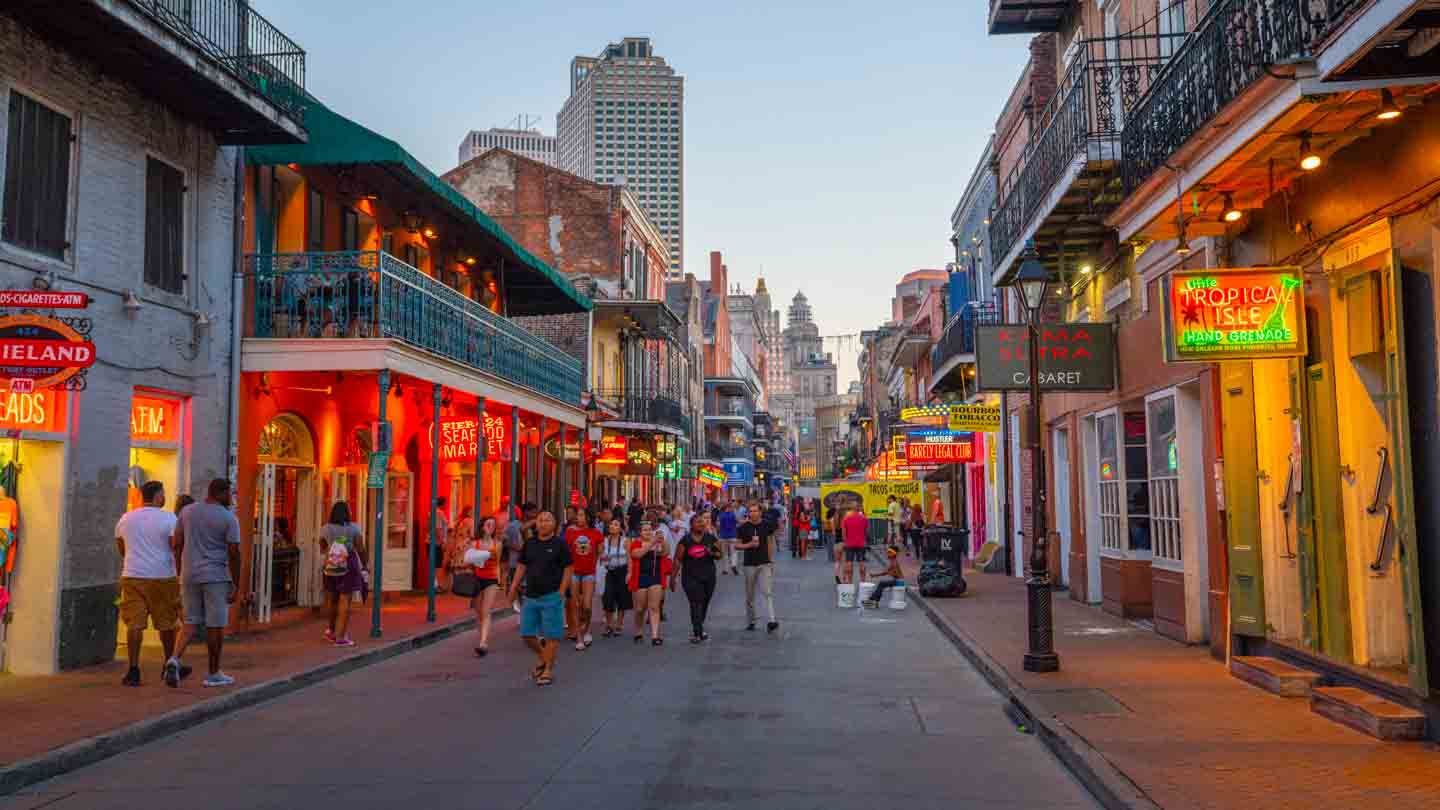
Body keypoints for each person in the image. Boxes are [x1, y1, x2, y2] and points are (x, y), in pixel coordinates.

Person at [115, 480, 188, 687]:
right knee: (166, 623)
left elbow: (122, 547)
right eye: (163, 494)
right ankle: (169, 663)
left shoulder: (126, 518)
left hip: (132, 575)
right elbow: (176, 546)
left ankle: (134, 669)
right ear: (157, 496)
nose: (164, 497)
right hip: (162, 575)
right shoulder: (168, 518)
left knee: (134, 624)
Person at [172, 478, 242, 688]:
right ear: (221, 493)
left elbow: (177, 543)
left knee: (190, 622)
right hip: (215, 577)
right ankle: (213, 673)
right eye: (229, 493)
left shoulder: (187, 512)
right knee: (215, 625)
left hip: (189, 575)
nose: (231, 497)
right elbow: (234, 553)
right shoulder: (229, 518)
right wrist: (236, 583)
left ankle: (174, 659)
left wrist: (179, 572)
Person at [507, 511, 571, 686]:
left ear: (554, 524)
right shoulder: (530, 544)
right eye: (540, 520)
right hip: (531, 596)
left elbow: (567, 568)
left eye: (547, 520)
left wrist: (562, 591)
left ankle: (547, 671)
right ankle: (545, 658)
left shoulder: (560, 544)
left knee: (551, 635)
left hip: (552, 595)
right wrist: (513, 588)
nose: (543, 523)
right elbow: (521, 566)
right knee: (527, 634)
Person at [319, 501, 367, 648]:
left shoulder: (325, 529)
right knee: (345, 600)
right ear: (348, 513)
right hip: (348, 565)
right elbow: (360, 548)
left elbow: (322, 547)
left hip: (331, 564)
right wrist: (365, 564)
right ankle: (341, 637)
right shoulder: (354, 529)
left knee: (333, 598)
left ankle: (332, 631)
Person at [672, 513, 722, 643]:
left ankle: (698, 627)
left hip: (709, 577)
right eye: (698, 522)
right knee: (695, 603)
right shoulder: (685, 541)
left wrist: (712, 552)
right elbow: (677, 560)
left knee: (704, 603)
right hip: (690, 577)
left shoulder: (711, 538)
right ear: (691, 525)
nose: (701, 524)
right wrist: (673, 579)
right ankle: (697, 633)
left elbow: (719, 554)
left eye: (703, 522)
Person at [737, 500, 779, 634]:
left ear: (760, 512)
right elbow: (737, 545)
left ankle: (772, 620)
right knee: (750, 595)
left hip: (764, 562)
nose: (753, 513)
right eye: (750, 511)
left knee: (768, 592)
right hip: (749, 564)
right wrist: (749, 545)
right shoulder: (743, 528)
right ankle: (752, 620)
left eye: (755, 511)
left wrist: (771, 560)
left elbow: (770, 541)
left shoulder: (767, 525)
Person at [464, 516, 501, 657]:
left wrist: (499, 581)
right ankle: (482, 638)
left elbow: (497, 563)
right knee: (479, 613)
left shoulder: (497, 544)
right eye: (488, 524)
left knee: (486, 611)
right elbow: (467, 562)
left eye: (493, 525)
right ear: (482, 527)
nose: (490, 527)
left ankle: (483, 643)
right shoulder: (475, 544)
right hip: (477, 579)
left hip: (491, 580)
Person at [564, 509, 601, 650]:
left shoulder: (595, 533)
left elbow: (599, 550)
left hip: (589, 572)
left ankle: (587, 629)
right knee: (574, 604)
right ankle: (579, 637)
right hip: (574, 572)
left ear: (587, 517)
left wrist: (594, 563)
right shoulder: (570, 532)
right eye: (577, 515)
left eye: (580, 515)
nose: (577, 517)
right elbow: (566, 551)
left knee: (587, 605)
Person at [627, 523, 667, 645]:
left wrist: (662, 541)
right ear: (640, 532)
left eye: (650, 530)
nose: (648, 532)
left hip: (655, 577)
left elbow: (665, 553)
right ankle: (638, 631)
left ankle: (655, 636)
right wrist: (652, 543)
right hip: (640, 578)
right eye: (645, 530)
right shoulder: (635, 544)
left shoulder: (657, 543)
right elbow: (637, 554)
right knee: (640, 609)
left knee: (654, 607)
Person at [599, 518, 632, 637]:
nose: (612, 526)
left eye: (616, 524)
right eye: (611, 524)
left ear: (620, 528)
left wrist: (629, 573)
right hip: (609, 571)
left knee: (622, 597)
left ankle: (619, 624)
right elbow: (600, 557)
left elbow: (629, 558)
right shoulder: (604, 541)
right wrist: (603, 559)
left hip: (622, 570)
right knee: (608, 597)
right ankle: (609, 625)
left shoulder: (625, 541)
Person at [503, 502, 535, 609]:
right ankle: (519, 607)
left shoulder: (534, 526)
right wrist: (517, 547)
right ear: (526, 512)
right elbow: (505, 542)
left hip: (529, 563)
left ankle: (524, 610)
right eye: (533, 512)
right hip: (515, 562)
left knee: (526, 588)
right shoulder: (513, 526)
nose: (534, 514)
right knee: (518, 586)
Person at [841, 502, 870, 600]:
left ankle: (850, 583)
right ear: (858, 508)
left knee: (849, 562)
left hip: (849, 544)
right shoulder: (864, 518)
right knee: (861, 562)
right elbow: (867, 531)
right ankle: (862, 582)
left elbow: (844, 534)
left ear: (851, 508)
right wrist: (863, 539)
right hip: (861, 544)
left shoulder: (846, 519)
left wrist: (846, 542)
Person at [715, 500, 739, 575]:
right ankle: (733, 565)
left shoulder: (721, 515)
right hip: (732, 535)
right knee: (734, 552)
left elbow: (718, 525)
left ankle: (725, 569)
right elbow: (737, 522)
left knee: (724, 553)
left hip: (723, 536)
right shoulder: (733, 514)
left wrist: (719, 532)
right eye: (731, 507)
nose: (732, 508)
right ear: (729, 507)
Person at [432, 497, 451, 593]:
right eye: (445, 504)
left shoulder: (432, 512)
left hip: (432, 541)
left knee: (435, 564)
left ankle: (435, 585)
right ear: (442, 504)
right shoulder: (439, 513)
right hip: (436, 542)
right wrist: (442, 542)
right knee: (437, 565)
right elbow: (438, 528)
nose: (446, 506)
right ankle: (436, 585)